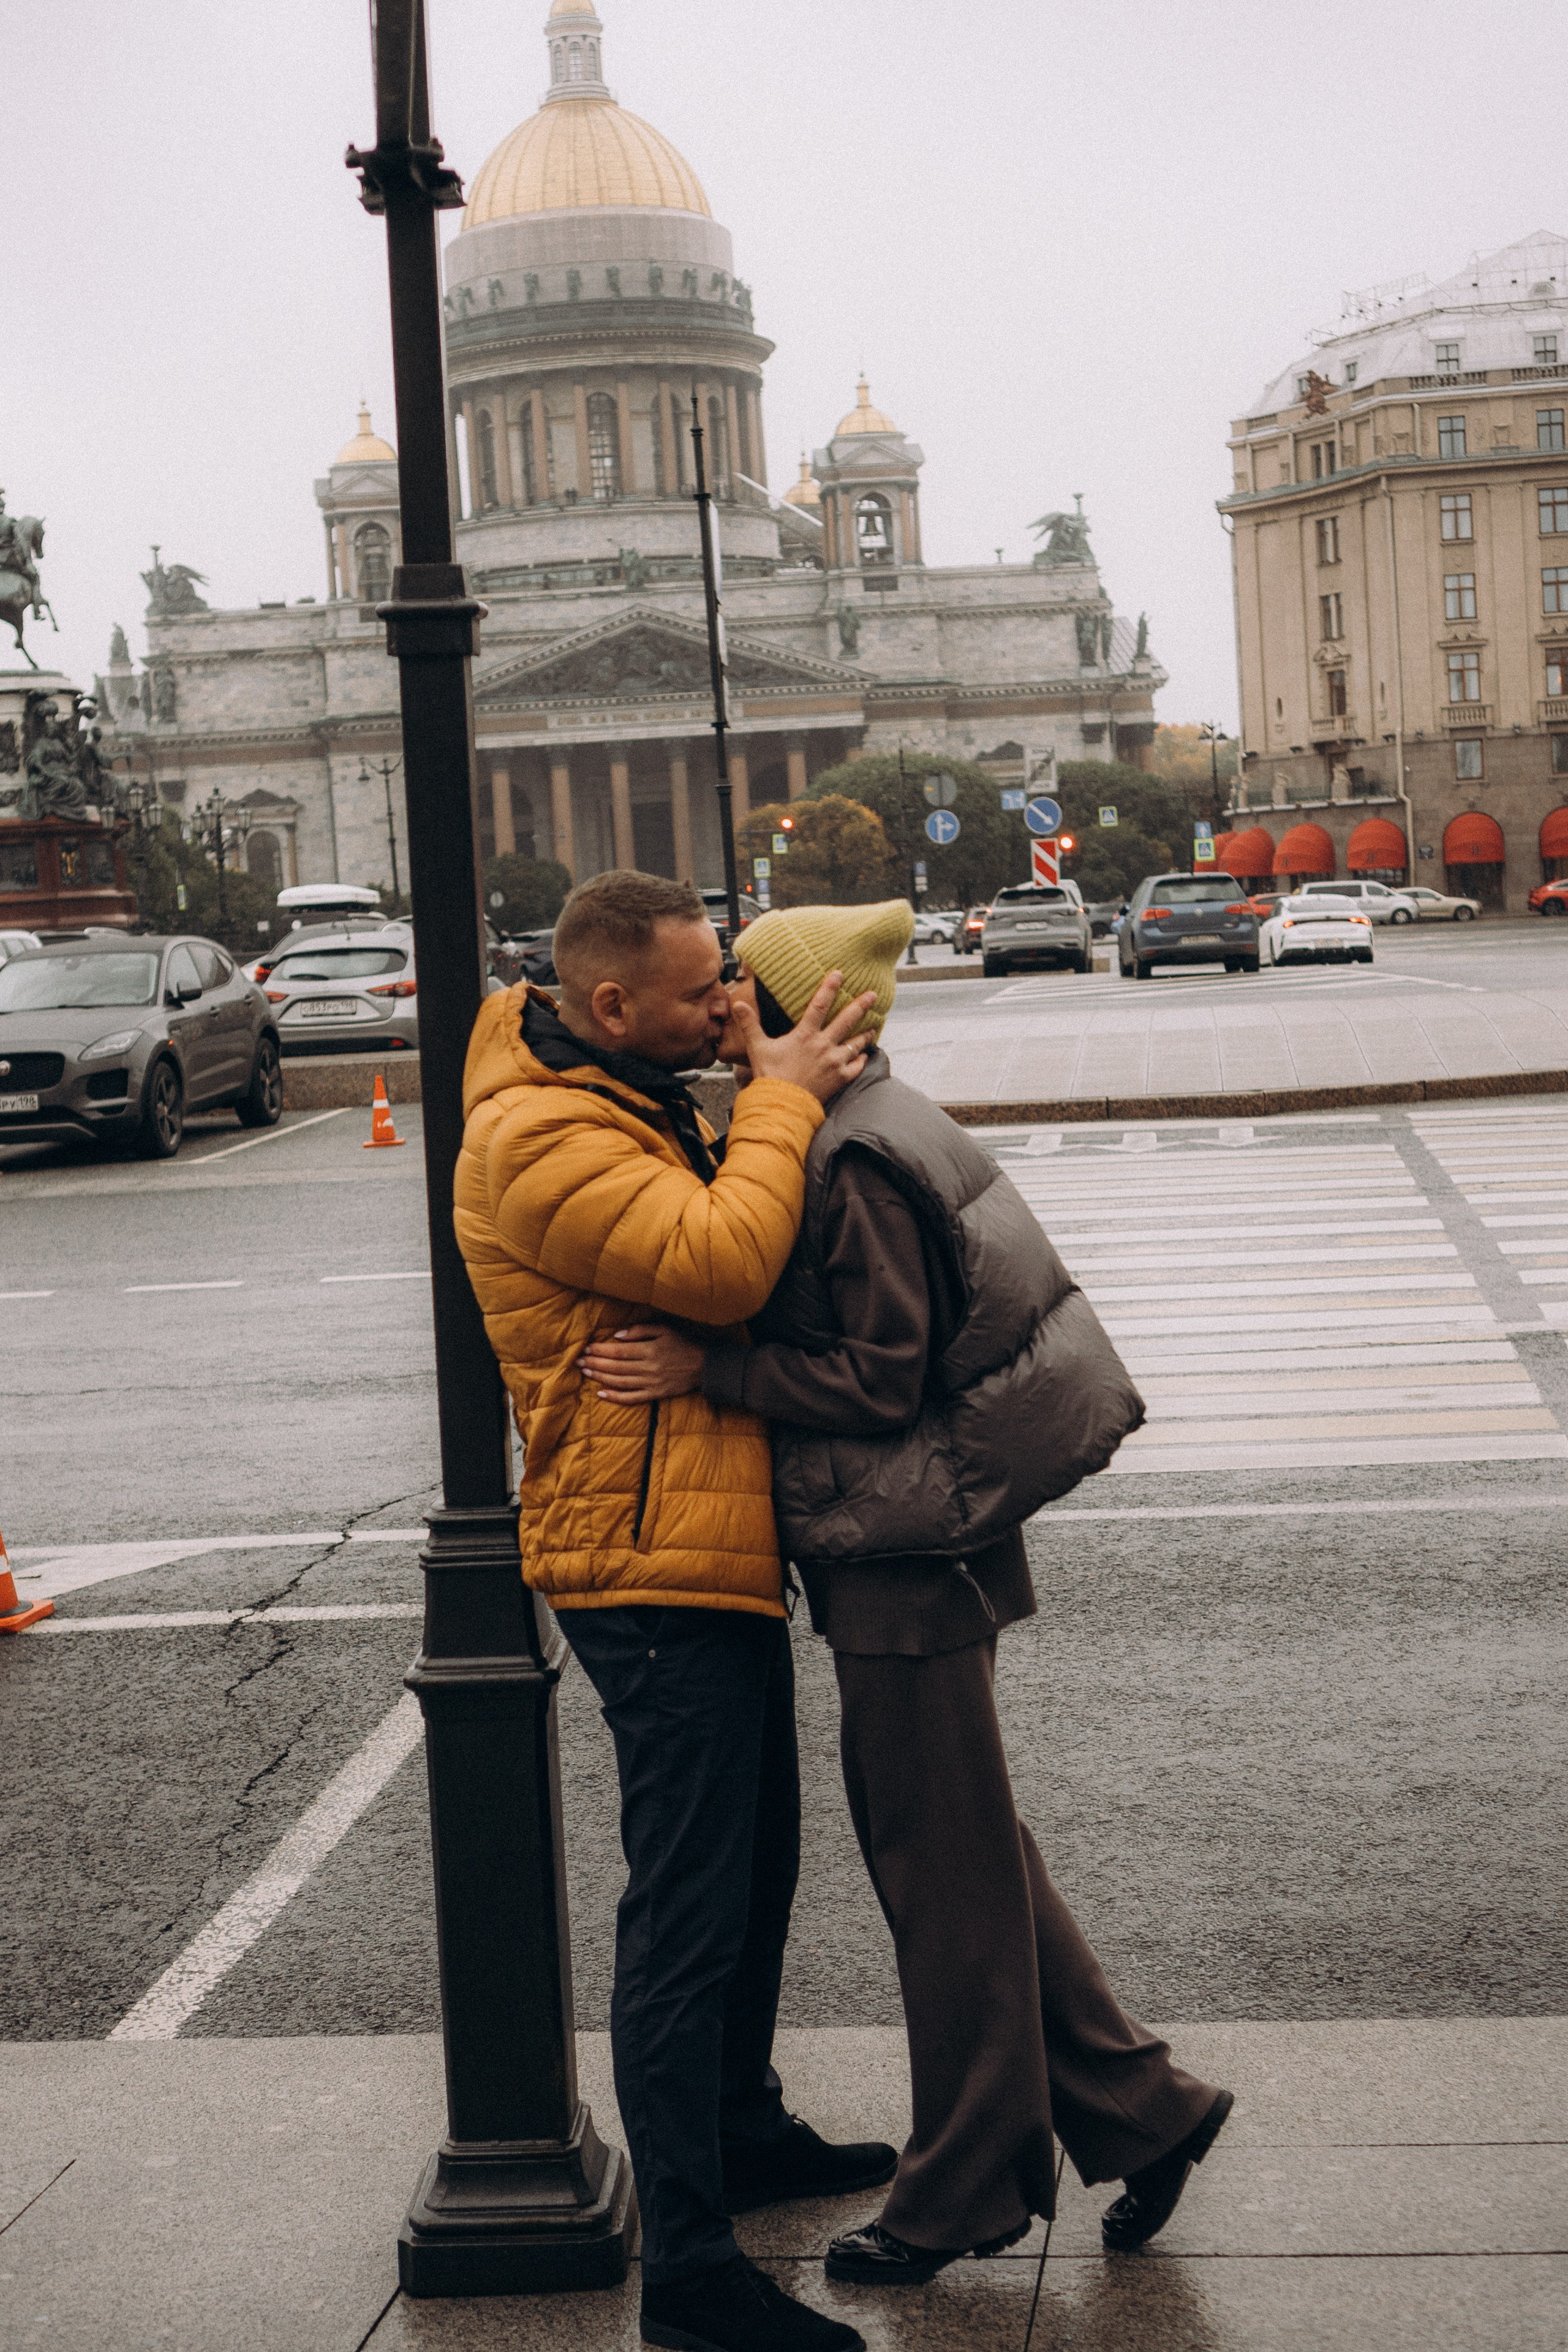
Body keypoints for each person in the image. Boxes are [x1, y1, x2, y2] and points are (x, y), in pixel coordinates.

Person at [580, 897, 1234, 2295]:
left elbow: (880, 1380)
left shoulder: (854, 1155)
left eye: (741, 997)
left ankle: (959, 2194)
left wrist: (715, 1374)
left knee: (937, 1884)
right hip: (910, 1544)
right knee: (966, 1851)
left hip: (900, 1553)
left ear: (812, 1015)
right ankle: (1139, 2107)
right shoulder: (867, 1118)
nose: (720, 1019)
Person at [455, 870, 894, 2352]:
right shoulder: (536, 1132)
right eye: (704, 986)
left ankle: (742, 2127)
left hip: (697, 1533)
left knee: (754, 1870)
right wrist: (775, 1100)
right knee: (687, 1916)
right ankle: (694, 2277)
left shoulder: (625, 1091)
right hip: (636, 1558)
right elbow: (718, 1262)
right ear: (608, 1007)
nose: (729, 1004)